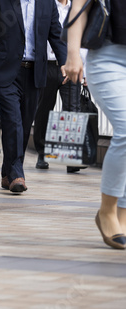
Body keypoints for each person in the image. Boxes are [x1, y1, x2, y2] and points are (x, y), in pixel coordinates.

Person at [0, 0, 67, 193]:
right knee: (13, 121)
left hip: (35, 73)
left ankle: (7, 172)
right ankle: (17, 173)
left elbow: (55, 34)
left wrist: (65, 62)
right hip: (7, 72)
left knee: (25, 125)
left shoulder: (47, 3)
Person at [65, 0, 126, 249]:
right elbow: (79, 7)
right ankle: (107, 211)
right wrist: (72, 53)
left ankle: (122, 216)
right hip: (108, 59)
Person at [33, 0, 84, 172]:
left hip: (71, 66)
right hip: (48, 65)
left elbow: (83, 37)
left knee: (73, 109)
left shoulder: (77, 7)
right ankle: (42, 152)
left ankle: (71, 158)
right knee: (44, 109)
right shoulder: (45, 5)